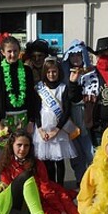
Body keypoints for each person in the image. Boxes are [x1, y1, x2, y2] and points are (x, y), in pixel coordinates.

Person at [0, 129, 80, 214]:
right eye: (19, 145)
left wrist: (61, 210)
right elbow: (7, 192)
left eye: (26, 145)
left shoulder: (37, 163)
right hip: (24, 202)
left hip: (44, 195)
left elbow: (46, 190)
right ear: (12, 145)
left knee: (68, 208)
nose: (22, 149)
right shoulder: (6, 164)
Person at [69, 37, 108, 147]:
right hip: (98, 128)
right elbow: (75, 98)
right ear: (97, 57)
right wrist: (73, 83)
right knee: (100, 161)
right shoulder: (88, 78)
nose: (106, 58)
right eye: (103, 55)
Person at [33, 57, 77, 185]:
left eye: (54, 72)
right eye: (48, 72)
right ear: (44, 73)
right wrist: (40, 129)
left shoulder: (63, 88)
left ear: (59, 72)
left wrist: (56, 130)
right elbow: (36, 110)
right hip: (43, 130)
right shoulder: (39, 88)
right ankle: (51, 186)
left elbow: (66, 111)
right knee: (47, 163)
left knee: (59, 162)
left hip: (59, 130)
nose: (51, 75)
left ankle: (60, 187)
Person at [0, 35, 40, 140]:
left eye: (15, 51)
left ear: (19, 51)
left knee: (23, 150)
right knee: (6, 152)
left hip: (24, 117)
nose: (12, 54)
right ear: (3, 52)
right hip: (5, 119)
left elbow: (31, 97)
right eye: (9, 51)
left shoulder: (27, 70)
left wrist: (31, 120)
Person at [61, 40, 95, 186]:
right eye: (73, 56)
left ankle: (95, 183)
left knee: (92, 153)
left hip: (88, 116)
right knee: (77, 156)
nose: (75, 59)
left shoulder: (92, 73)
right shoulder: (64, 73)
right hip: (72, 118)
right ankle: (81, 184)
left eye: (78, 55)